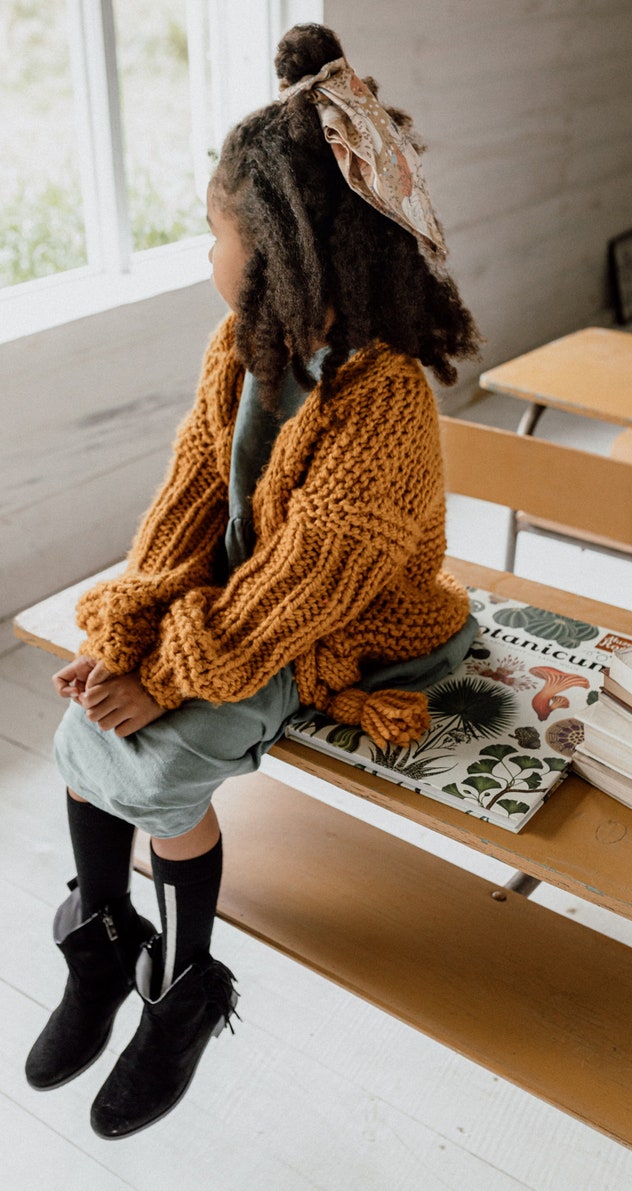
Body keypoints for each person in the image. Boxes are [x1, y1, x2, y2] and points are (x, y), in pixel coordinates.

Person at [25, 22, 481, 1138]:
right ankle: (102, 933)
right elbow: (186, 502)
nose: (206, 255)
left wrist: (170, 680)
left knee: (165, 754)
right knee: (88, 727)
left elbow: (302, 591)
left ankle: (183, 988)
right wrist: (131, 633)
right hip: (246, 594)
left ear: (284, 247)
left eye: (215, 232)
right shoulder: (243, 341)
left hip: (348, 624)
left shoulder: (384, 405)